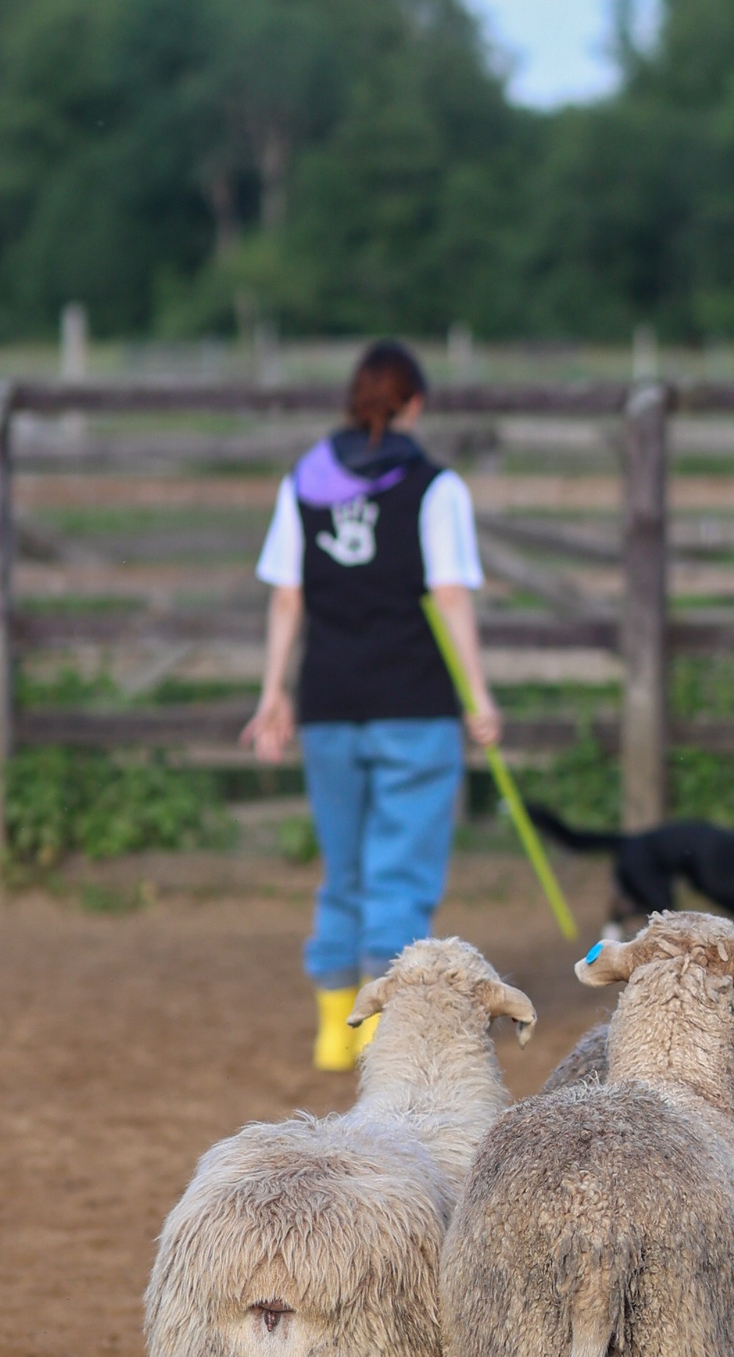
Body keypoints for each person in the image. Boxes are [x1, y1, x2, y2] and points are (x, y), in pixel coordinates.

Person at [242, 340, 503, 1071]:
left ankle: (333, 1027)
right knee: (401, 875)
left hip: (328, 703)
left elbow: (287, 596)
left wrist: (273, 695)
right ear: (414, 404)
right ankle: (378, 1032)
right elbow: (450, 595)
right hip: (415, 703)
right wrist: (479, 698)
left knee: (345, 867)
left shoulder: (304, 479)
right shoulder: (435, 486)